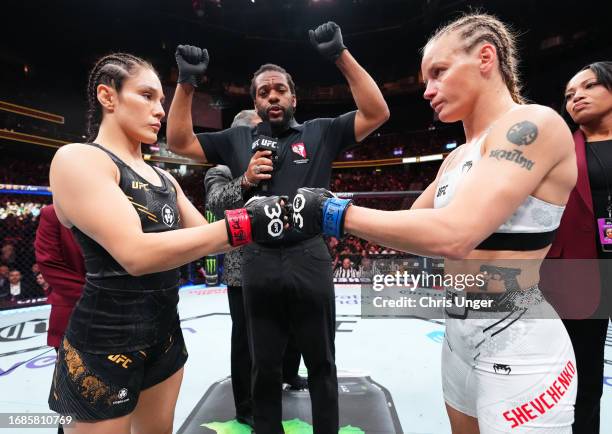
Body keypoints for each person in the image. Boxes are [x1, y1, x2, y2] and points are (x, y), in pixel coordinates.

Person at [293, 13, 578, 433]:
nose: (427, 90)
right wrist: (327, 201)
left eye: (439, 73)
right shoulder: (456, 157)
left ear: (486, 58)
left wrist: (334, 213)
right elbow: (409, 229)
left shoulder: (534, 124)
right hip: (458, 334)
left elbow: (455, 235)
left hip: (518, 337)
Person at [46, 52, 287, 434]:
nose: (160, 109)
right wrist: (246, 222)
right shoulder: (79, 159)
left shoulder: (164, 178)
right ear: (108, 97)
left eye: (161, 99)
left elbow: (214, 243)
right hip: (104, 343)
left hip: (166, 335)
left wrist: (269, 215)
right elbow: (135, 254)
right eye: (147, 96)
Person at [167, 21, 389, 434]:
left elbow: (377, 112)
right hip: (258, 261)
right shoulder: (237, 139)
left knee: (322, 363)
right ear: (255, 100)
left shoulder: (321, 131)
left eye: (279, 89)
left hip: (310, 256)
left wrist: (340, 55)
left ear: (293, 97)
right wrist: (186, 84)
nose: (272, 96)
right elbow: (179, 141)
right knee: (264, 367)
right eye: (263, 91)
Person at [204, 110, 307, 428]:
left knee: (292, 326)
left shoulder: (280, 160)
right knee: (246, 340)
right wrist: (247, 179)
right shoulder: (221, 168)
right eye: (256, 130)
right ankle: (245, 404)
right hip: (244, 267)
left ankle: (289, 373)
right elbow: (215, 204)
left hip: (286, 259)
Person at [546, 61, 612, 434]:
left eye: (588, 87)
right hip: (578, 274)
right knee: (584, 381)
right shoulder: (558, 150)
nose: (577, 97)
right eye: (570, 95)